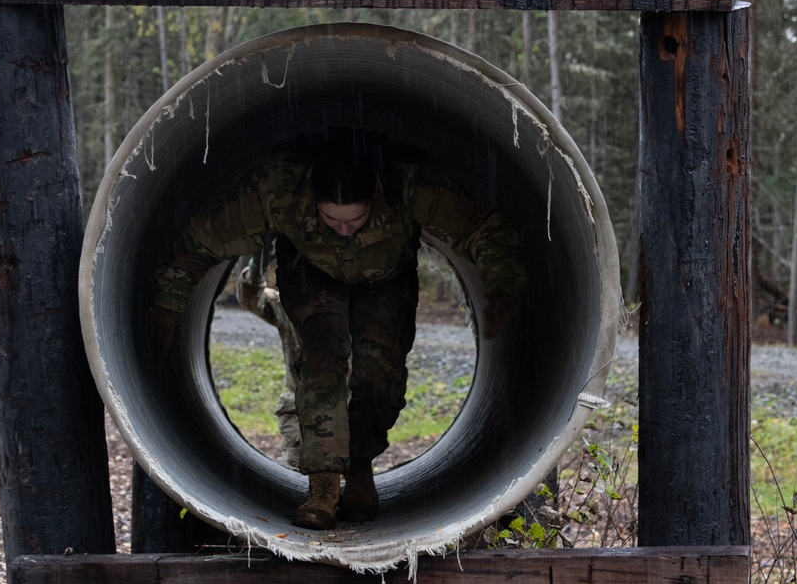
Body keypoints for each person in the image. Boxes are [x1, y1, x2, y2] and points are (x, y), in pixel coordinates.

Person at [147, 130, 525, 530]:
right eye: (331, 219)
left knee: (382, 376)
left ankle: (360, 466)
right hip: (311, 273)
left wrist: (502, 284)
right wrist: (166, 307)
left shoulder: (411, 186)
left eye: (356, 220)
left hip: (386, 278)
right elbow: (199, 244)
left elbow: (484, 228)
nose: (344, 230)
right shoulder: (278, 191)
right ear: (312, 200)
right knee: (322, 360)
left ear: (376, 195)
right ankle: (323, 488)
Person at [234, 244, 303, 470]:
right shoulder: (287, 305)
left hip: (347, 407)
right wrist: (257, 266)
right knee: (296, 470)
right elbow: (251, 298)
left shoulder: (352, 305)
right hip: (299, 407)